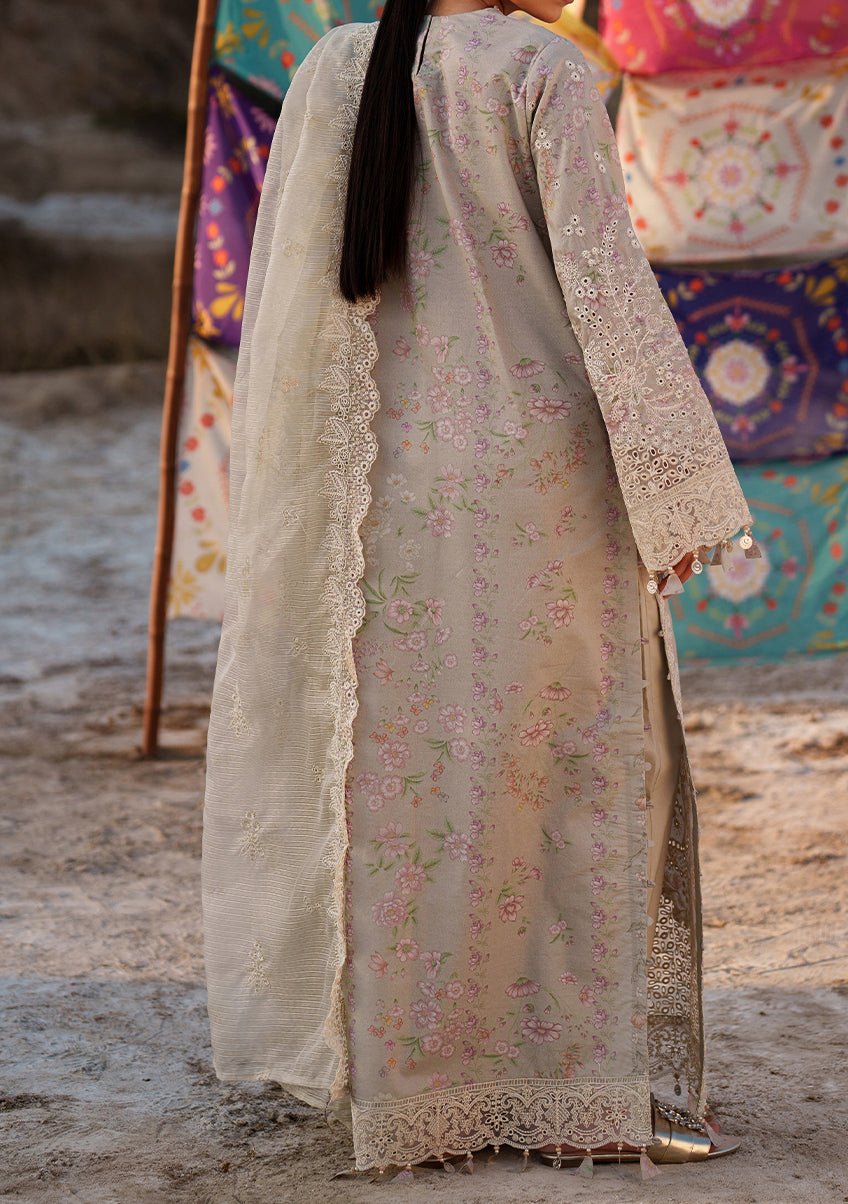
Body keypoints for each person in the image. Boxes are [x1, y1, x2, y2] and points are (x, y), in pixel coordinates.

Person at [201, 0, 756, 1178]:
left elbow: (293, 297)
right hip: (539, 487)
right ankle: (577, 1097)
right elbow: (605, 288)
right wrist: (676, 489)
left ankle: (409, 1093)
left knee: (402, 796)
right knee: (563, 781)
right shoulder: (539, 68)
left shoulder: (334, 68)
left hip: (381, 490)